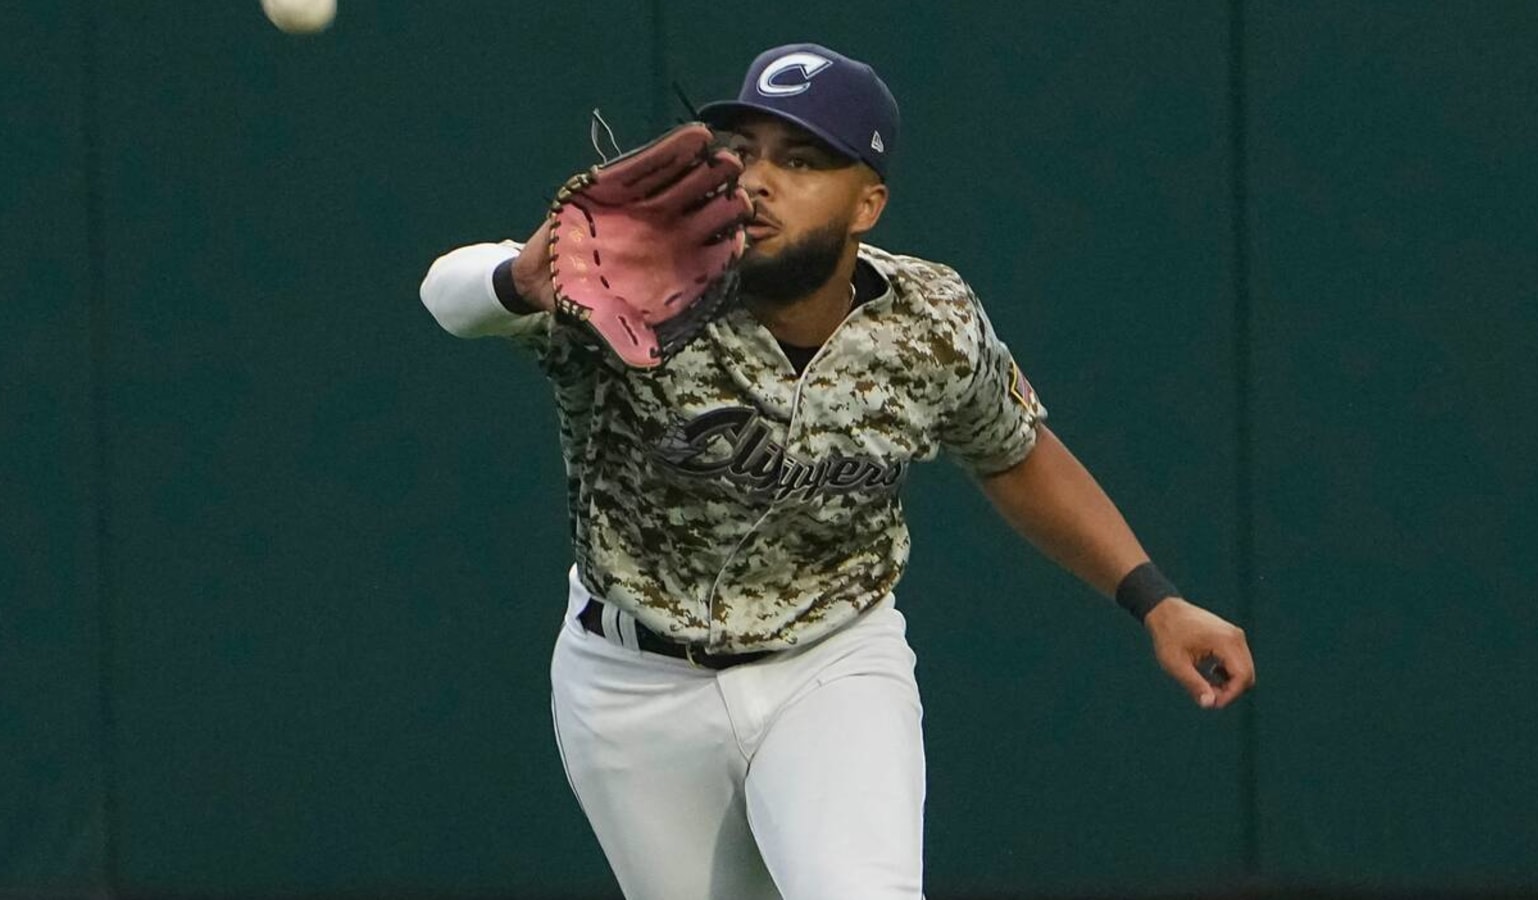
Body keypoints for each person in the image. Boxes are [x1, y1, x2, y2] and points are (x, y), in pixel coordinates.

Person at [419, 41, 1255, 900]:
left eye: (803, 160)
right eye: (739, 151)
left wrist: (1155, 598)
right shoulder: (632, 291)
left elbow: (1015, 452)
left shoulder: (929, 320)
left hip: (829, 663)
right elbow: (446, 295)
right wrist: (521, 278)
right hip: (633, 683)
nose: (757, 180)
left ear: (869, 202)